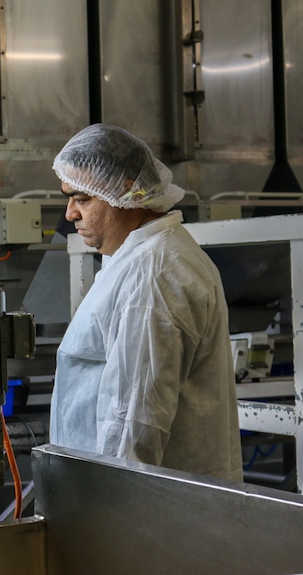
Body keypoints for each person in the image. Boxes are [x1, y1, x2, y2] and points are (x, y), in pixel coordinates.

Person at [48, 123, 243, 482]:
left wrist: (107, 520)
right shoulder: (138, 259)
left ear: (126, 191)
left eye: (82, 198)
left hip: (144, 517)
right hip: (146, 511)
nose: (70, 214)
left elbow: (132, 425)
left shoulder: (152, 276)